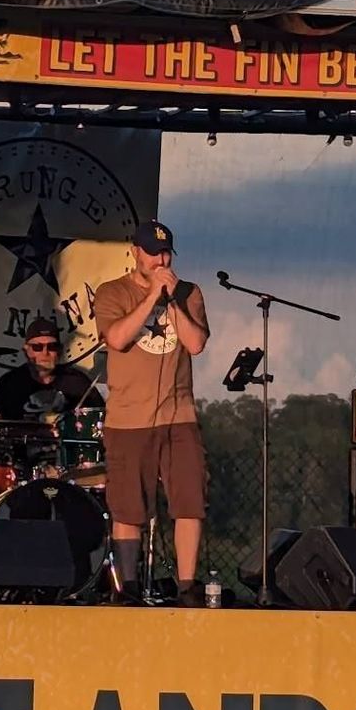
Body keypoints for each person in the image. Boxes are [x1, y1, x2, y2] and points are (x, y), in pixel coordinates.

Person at [93, 220, 210, 605]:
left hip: (179, 414)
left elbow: (195, 344)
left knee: (189, 500)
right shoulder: (113, 292)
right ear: (135, 253)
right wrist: (150, 299)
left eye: (165, 254)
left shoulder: (188, 293)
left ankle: (187, 585)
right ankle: (126, 587)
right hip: (128, 418)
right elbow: (117, 338)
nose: (160, 261)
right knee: (129, 507)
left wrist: (171, 299)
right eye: (152, 253)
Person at [0, 318, 103, 421]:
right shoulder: (9, 382)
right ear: (26, 351)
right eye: (37, 347)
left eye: (52, 347)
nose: (45, 353)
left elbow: (100, 420)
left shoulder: (77, 382)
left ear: (60, 350)